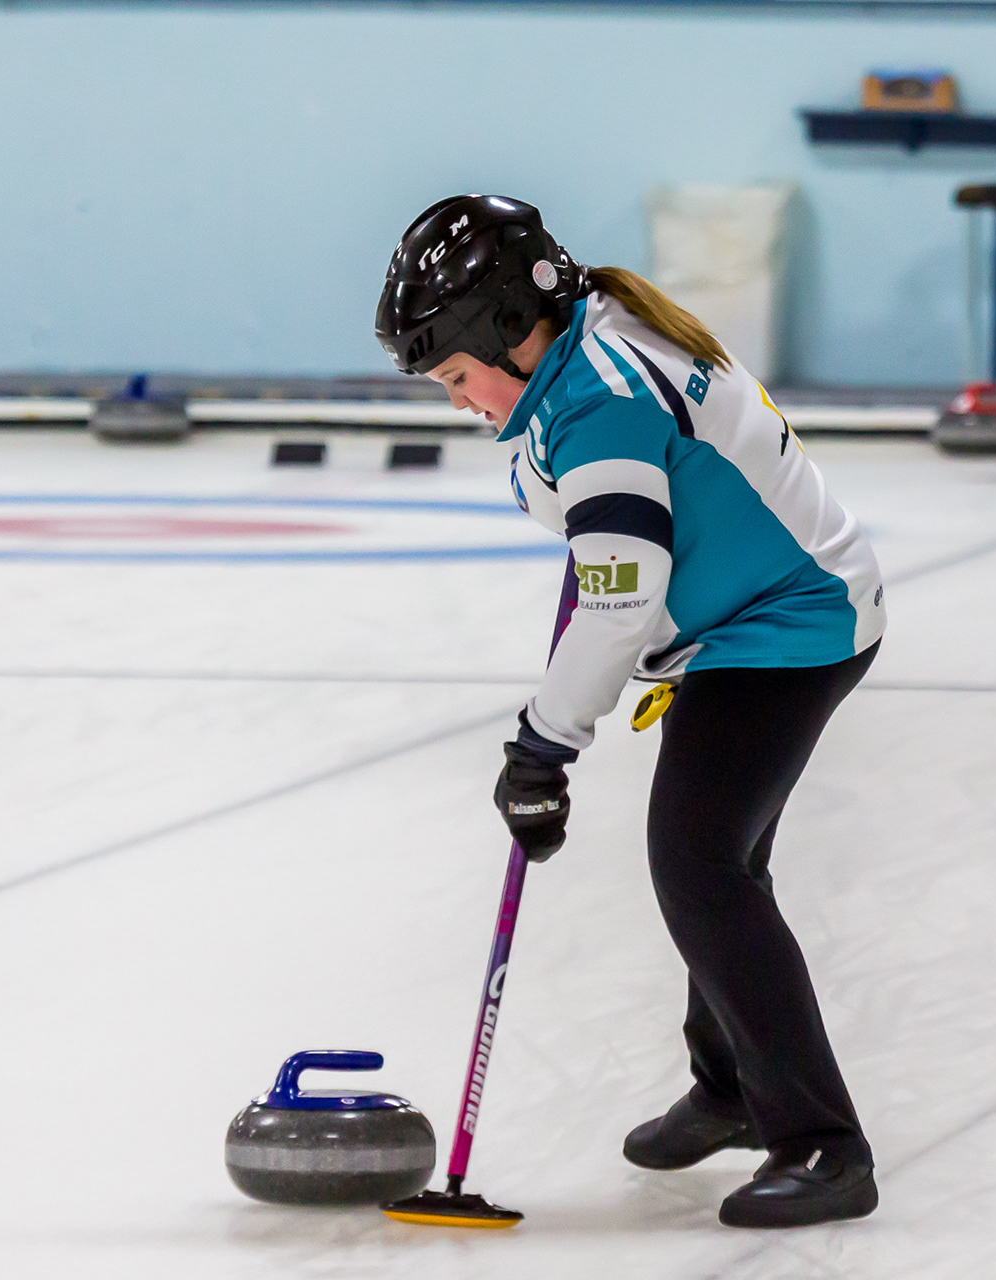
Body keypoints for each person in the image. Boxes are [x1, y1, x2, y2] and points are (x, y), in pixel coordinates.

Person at [375, 195, 886, 1227]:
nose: (461, 400)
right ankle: (734, 1085)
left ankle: (824, 1143)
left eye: (456, 375)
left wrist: (542, 746)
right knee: (720, 862)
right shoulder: (592, 336)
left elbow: (620, 595)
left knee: (700, 863)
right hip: (766, 611)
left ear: (507, 333)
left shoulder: (600, 397)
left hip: (786, 627)